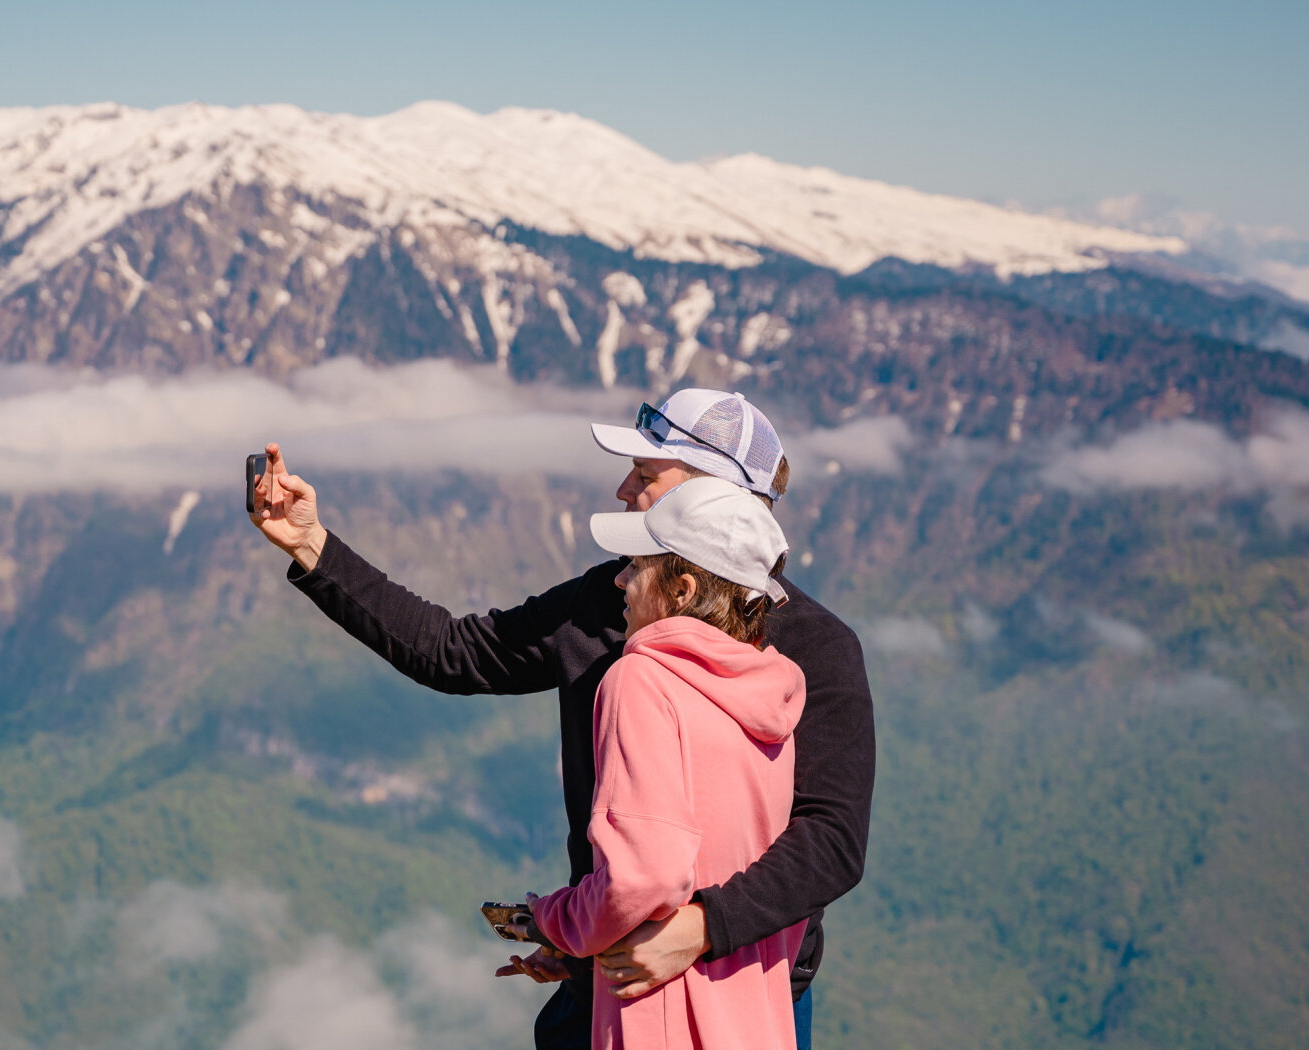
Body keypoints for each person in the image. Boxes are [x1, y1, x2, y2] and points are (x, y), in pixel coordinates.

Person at [250, 388, 875, 1050]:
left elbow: (831, 839)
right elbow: (454, 651)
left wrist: (698, 930)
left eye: (645, 474)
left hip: (743, 986)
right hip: (605, 979)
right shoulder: (606, 600)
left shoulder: (816, 649)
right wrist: (311, 544)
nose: (623, 488)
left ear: (713, 495)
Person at [526, 475, 807, 1049]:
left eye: (636, 566)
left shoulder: (642, 680)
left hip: (666, 1021)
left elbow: (643, 878)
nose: (620, 580)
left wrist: (555, 919)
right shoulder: (773, 695)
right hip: (758, 1020)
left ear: (681, 591)